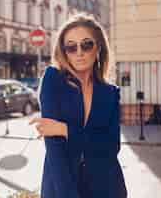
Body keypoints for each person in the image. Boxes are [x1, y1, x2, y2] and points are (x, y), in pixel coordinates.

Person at [29, 13, 128, 198]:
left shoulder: (110, 92)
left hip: (107, 187)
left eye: (86, 44)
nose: (79, 52)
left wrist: (65, 130)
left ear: (98, 47)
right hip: (62, 187)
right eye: (71, 47)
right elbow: (55, 151)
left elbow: (111, 146)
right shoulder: (53, 80)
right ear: (64, 51)